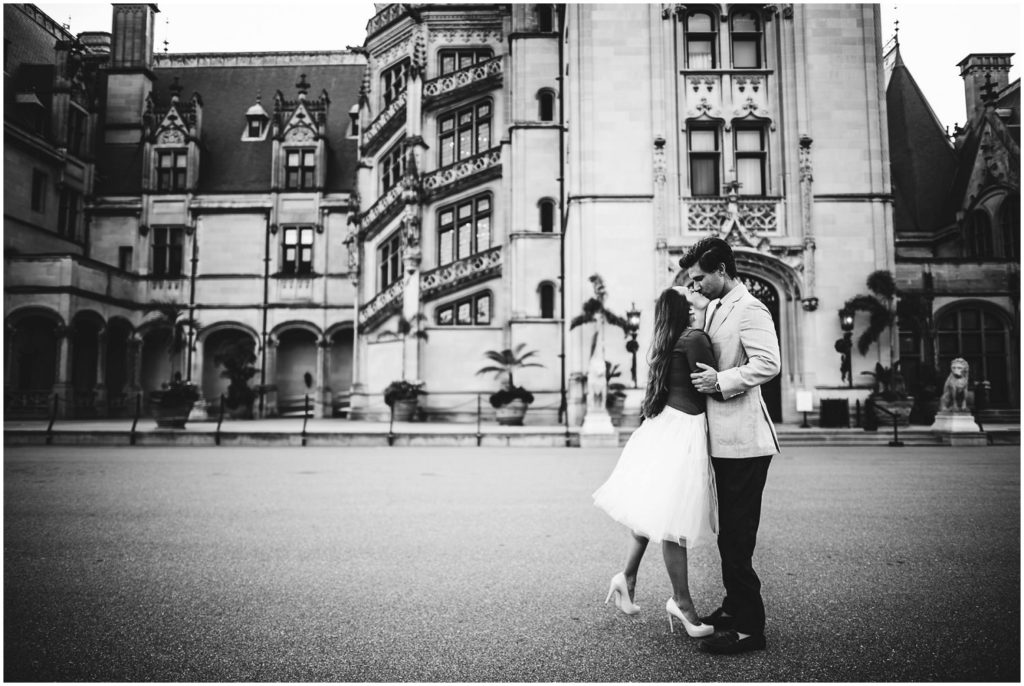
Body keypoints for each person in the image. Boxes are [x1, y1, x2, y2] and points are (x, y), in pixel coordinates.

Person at [593, 286, 719, 638]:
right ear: (683, 307)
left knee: (659, 511)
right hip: (683, 431)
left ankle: (627, 576)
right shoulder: (693, 338)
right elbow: (711, 383)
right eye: (689, 293)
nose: (696, 292)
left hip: (664, 427)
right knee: (674, 521)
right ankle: (683, 604)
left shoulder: (666, 340)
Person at [680, 236, 781, 655]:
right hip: (724, 439)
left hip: (744, 441)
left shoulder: (751, 308)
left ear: (722, 269)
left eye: (700, 278)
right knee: (729, 533)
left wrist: (721, 382)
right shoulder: (718, 306)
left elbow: (768, 363)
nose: (696, 285)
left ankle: (749, 630)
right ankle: (732, 605)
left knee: (737, 537)